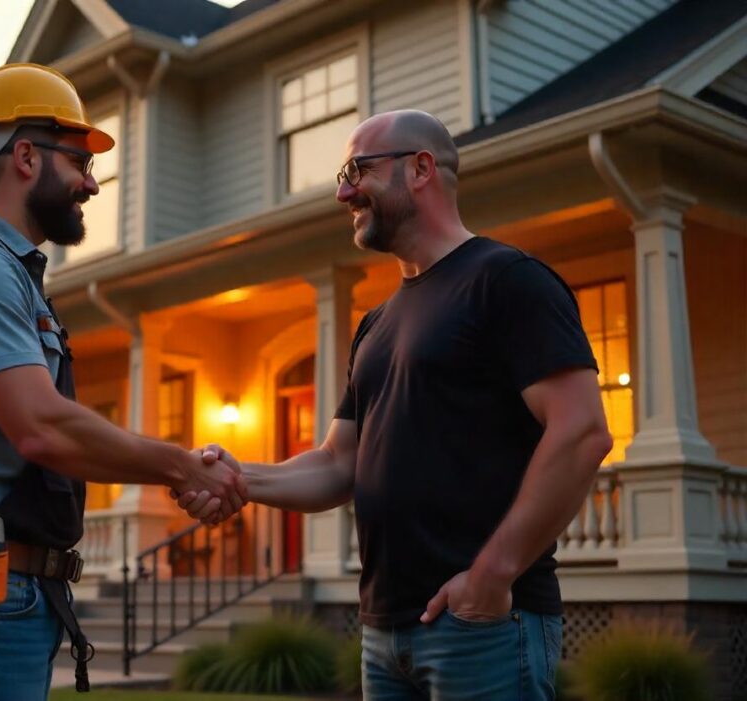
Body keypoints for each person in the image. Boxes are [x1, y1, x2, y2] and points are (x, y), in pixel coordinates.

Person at [176, 110, 613, 701]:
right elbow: (338, 464)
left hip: (481, 625)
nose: (342, 191)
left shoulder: (507, 281)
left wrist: (492, 575)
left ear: (421, 169)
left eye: (356, 170)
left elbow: (582, 431)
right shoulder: (375, 326)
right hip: (384, 634)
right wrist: (237, 475)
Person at [0, 63, 245, 701]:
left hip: (4, 590)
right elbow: (42, 427)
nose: (93, 183)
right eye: (79, 161)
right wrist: (182, 468)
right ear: (25, 156)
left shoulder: (5, 274)